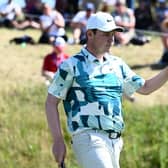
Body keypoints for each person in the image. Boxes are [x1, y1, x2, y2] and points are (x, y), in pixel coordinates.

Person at [45, 11, 168, 168]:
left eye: (113, 34)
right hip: (88, 137)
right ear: (90, 34)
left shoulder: (117, 64)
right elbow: (50, 102)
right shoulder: (71, 65)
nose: (111, 39)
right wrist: (57, 140)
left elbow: (145, 88)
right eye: (106, 34)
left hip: (115, 142)